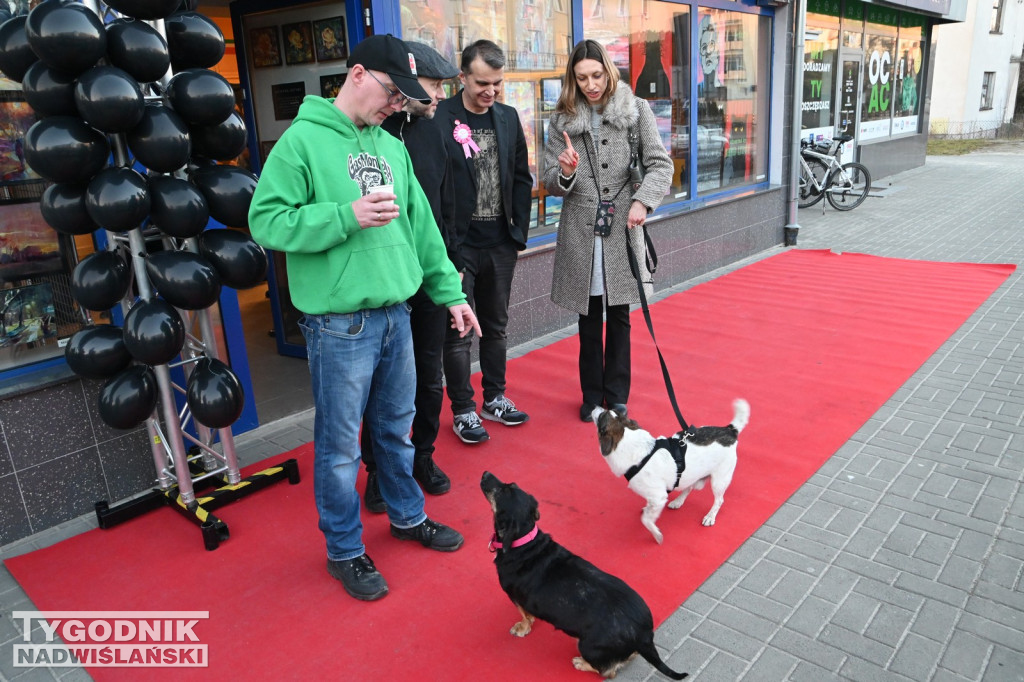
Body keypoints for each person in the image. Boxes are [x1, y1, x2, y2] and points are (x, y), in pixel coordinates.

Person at [248, 34, 481, 602]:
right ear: (357, 74)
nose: (396, 106)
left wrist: (450, 294)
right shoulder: (301, 141)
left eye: (404, 99)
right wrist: (344, 216)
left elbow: (422, 230)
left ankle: (407, 516)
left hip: (397, 312)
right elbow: (266, 221)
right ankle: (344, 550)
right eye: (392, 93)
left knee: (397, 430)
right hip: (338, 325)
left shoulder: (392, 145)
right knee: (340, 449)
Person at [542, 39, 673, 422]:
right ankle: (591, 396)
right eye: (582, 77)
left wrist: (642, 202)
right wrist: (565, 172)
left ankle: (616, 396)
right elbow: (549, 180)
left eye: (597, 75)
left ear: (609, 72)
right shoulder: (562, 119)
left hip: (622, 225)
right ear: (573, 79)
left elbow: (660, 164)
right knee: (587, 317)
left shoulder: (636, 110)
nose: (591, 85)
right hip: (580, 229)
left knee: (619, 315)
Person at [360, 41, 460, 514]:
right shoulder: (370, 133)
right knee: (380, 384)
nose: (440, 95)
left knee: (429, 374)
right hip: (383, 281)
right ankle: (378, 471)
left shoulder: (435, 131)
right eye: (434, 85)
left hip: (429, 278)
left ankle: (422, 456)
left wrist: (452, 265)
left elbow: (446, 203)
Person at [436, 39, 533, 444]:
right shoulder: (440, 117)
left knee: (496, 327)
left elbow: (521, 177)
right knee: (458, 332)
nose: (491, 91)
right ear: (462, 77)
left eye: (497, 83)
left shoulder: (507, 117)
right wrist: (445, 250)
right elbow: (433, 186)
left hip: (500, 244)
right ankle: (463, 409)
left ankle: (495, 397)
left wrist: (518, 233)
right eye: (482, 83)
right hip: (458, 248)